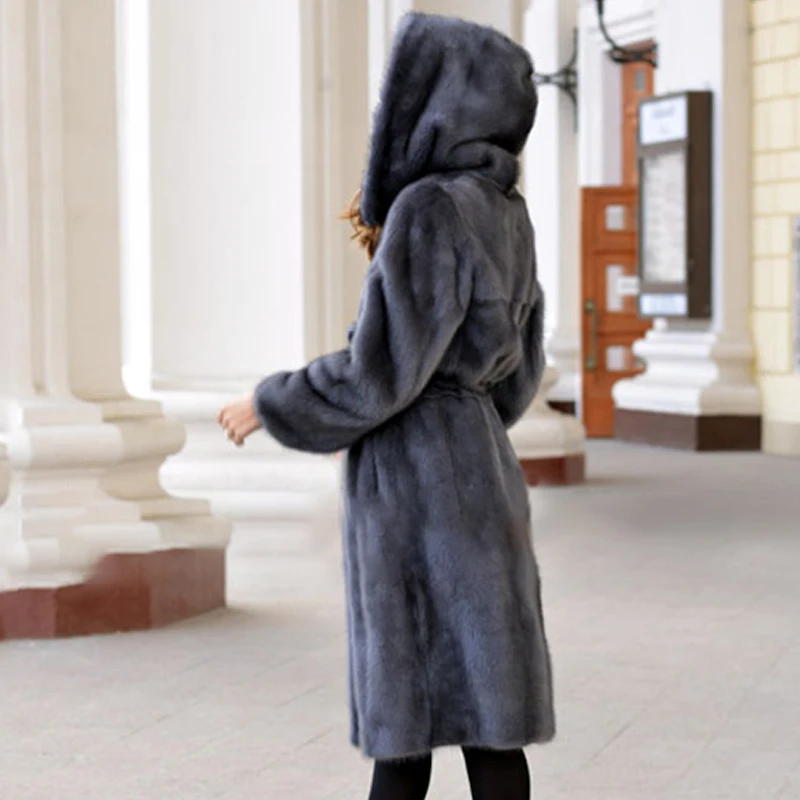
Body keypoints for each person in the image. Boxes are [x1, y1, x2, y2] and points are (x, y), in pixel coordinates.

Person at [218, 12, 555, 800]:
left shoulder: (430, 208)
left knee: (406, 728)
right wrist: (462, 420)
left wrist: (270, 402)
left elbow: (379, 371)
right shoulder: (507, 213)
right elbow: (522, 372)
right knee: (491, 723)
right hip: (484, 465)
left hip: (416, 486)